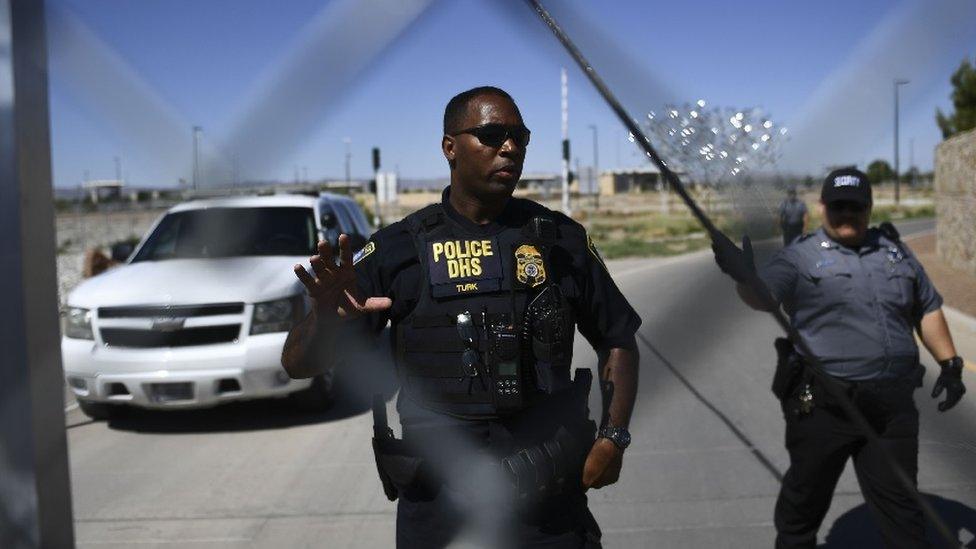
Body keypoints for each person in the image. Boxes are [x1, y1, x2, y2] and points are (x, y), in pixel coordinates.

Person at [281, 86, 641, 548]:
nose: (509, 147)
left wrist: (614, 436)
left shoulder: (560, 242)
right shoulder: (398, 250)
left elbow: (618, 337)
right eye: (492, 135)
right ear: (450, 147)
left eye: (520, 136)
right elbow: (298, 364)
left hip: (550, 505)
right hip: (441, 510)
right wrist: (324, 320)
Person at [712, 167, 967, 548]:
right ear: (822, 208)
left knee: (904, 516)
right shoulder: (799, 256)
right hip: (824, 407)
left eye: (855, 206)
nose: (847, 214)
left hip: (891, 410)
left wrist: (949, 362)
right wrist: (744, 277)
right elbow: (763, 298)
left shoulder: (896, 251)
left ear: (869, 207)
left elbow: (926, 307)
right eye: (838, 207)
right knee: (803, 507)